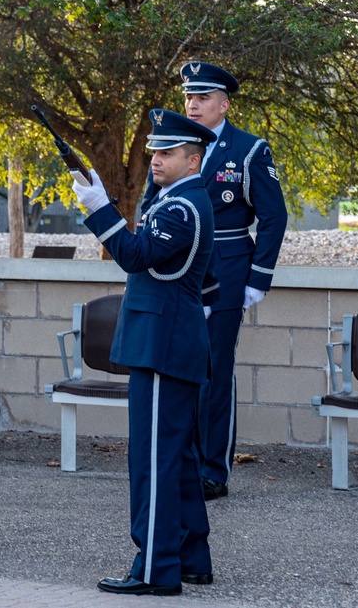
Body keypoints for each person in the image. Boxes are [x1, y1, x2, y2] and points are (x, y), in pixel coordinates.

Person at [74, 109, 216, 596]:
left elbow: (134, 256)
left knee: (153, 460)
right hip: (169, 341)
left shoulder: (183, 207)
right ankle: (191, 557)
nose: (156, 159)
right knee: (176, 458)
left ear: (193, 159)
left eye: (168, 153)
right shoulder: (177, 200)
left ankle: (156, 567)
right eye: (155, 151)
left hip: (164, 346)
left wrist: (98, 208)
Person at [140, 62, 287, 500]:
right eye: (190, 97)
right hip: (178, 271)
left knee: (215, 371)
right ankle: (180, 461)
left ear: (224, 104)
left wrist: (257, 277)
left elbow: (273, 217)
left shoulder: (248, 150)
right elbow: (150, 204)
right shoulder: (175, 146)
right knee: (180, 365)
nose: (193, 104)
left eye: (203, 98)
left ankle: (212, 471)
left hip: (227, 268)